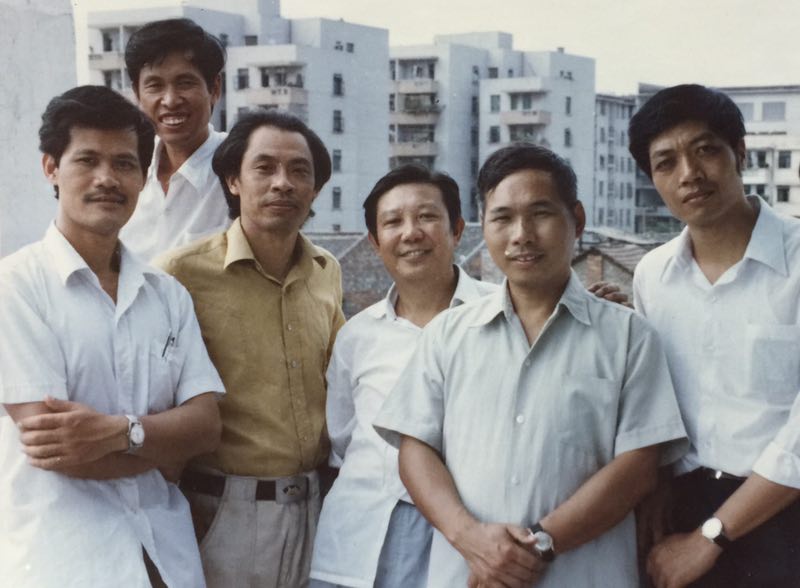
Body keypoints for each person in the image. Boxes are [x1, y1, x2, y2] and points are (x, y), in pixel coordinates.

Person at [373, 143, 687, 588]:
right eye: (502, 218)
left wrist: (538, 545)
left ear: (576, 220)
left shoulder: (630, 336)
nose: (521, 234)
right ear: (484, 226)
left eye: (540, 214)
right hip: (467, 574)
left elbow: (638, 466)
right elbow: (415, 449)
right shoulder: (447, 334)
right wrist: (471, 539)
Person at [0, 85, 225, 587]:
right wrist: (161, 447)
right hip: (64, 561)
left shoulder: (167, 294)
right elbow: (57, 450)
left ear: (143, 177)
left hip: (165, 557)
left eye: (124, 163)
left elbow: (206, 427)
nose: (107, 178)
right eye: (87, 160)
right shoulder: (14, 287)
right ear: (51, 168)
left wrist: (122, 433)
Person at [156, 109, 345, 588]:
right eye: (265, 168)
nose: (283, 183)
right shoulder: (180, 274)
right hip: (221, 513)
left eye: (299, 171)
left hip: (317, 509)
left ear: (315, 189)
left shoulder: (327, 271)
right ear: (233, 180)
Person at [629, 84, 800, 588]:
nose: (689, 174)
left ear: (740, 153)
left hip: (784, 516)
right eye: (666, 163)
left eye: (705, 150)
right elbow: (654, 402)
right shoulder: (652, 276)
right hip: (679, 513)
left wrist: (711, 537)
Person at [309, 165, 497, 588]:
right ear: (375, 242)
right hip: (355, 548)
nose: (411, 233)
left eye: (427, 217)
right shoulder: (357, 335)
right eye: (393, 222)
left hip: (469, 538)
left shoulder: (502, 313)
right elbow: (342, 442)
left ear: (457, 230)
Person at [120, 18, 231, 260]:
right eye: (155, 86)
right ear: (137, 93)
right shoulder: (123, 170)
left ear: (214, 89)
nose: (170, 100)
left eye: (185, 83)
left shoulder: (239, 166)